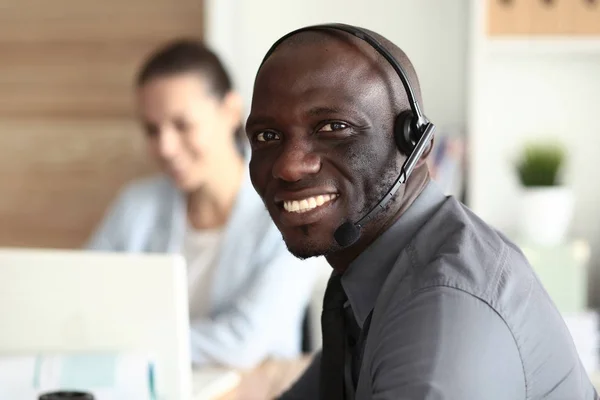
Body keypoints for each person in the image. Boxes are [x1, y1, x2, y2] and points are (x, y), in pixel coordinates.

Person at [244, 23, 599, 399]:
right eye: (267, 136)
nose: (289, 166)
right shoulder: (367, 275)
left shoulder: (442, 315)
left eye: (333, 127)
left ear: (415, 145)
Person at [86, 39, 320, 369]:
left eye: (182, 125)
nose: (165, 147)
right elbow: (83, 303)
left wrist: (130, 338)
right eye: (152, 130)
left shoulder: (292, 211)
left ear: (230, 112)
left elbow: (244, 343)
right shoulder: (136, 204)